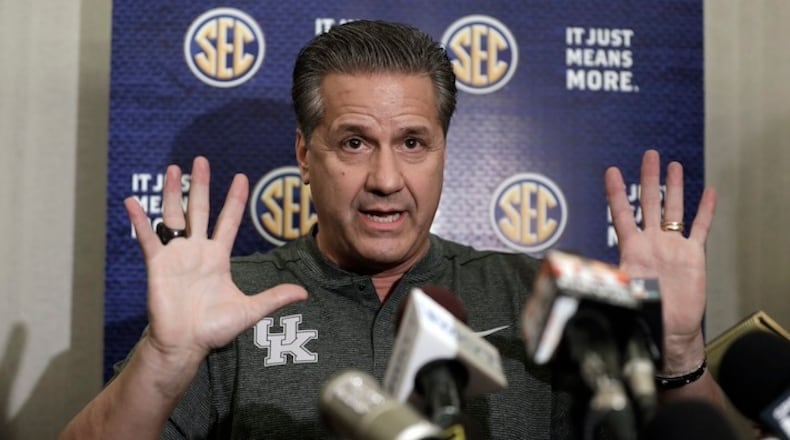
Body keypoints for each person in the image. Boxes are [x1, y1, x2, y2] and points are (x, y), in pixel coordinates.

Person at [61, 19, 722, 439]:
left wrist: (680, 352)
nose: (384, 177)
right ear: (303, 153)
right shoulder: (228, 303)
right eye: (353, 143)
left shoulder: (537, 292)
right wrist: (169, 358)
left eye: (412, 142)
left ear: (443, 151)